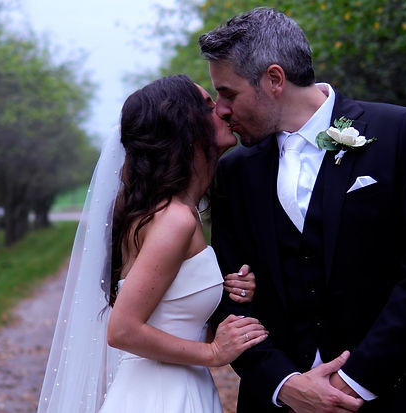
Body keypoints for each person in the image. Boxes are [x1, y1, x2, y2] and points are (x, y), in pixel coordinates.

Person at [201, 7, 406, 413]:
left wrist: (353, 381)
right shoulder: (234, 171)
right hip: (281, 402)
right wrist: (283, 383)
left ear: (274, 79)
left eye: (228, 93)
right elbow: (229, 296)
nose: (221, 110)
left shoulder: (399, 133)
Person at [38, 75, 282, 413]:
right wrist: (212, 354)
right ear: (185, 126)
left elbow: (172, 316)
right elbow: (122, 330)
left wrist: (230, 290)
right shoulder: (175, 219)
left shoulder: (173, 212)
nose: (224, 112)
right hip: (161, 396)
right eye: (209, 107)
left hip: (177, 387)